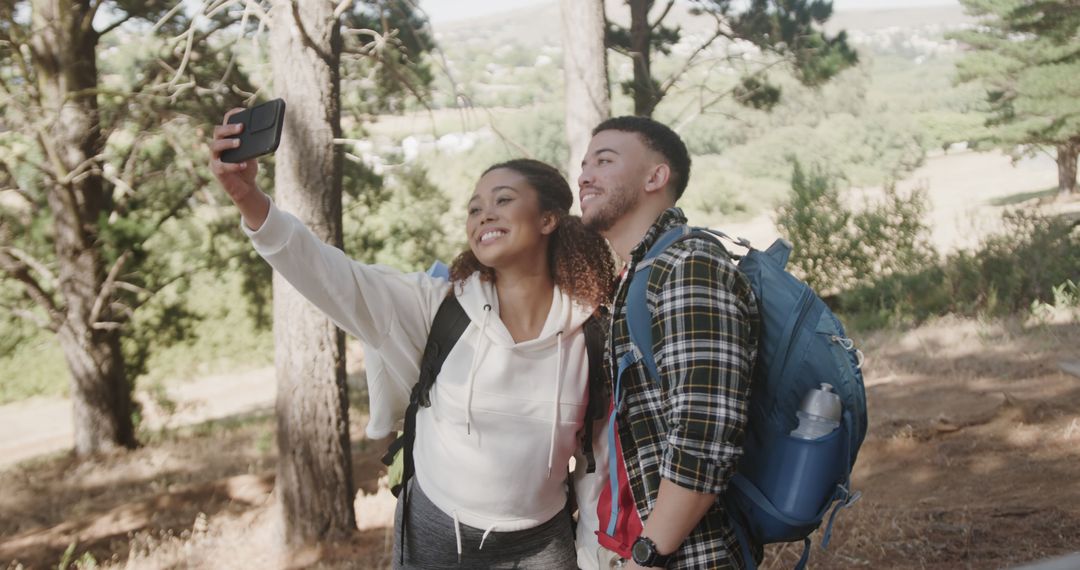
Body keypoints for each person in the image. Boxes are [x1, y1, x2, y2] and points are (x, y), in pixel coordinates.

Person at [209, 110, 616, 569]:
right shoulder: (437, 305)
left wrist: (594, 553)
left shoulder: (590, 332)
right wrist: (248, 198)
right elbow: (329, 274)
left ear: (547, 220)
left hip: (542, 544)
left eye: (503, 200)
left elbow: (597, 459)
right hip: (437, 530)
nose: (485, 215)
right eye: (475, 207)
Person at [577, 116, 761, 569]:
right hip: (626, 544)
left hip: (681, 556)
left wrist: (648, 554)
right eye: (583, 164)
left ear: (656, 177)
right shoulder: (635, 277)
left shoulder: (687, 266)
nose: (584, 175)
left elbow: (705, 438)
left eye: (604, 160)